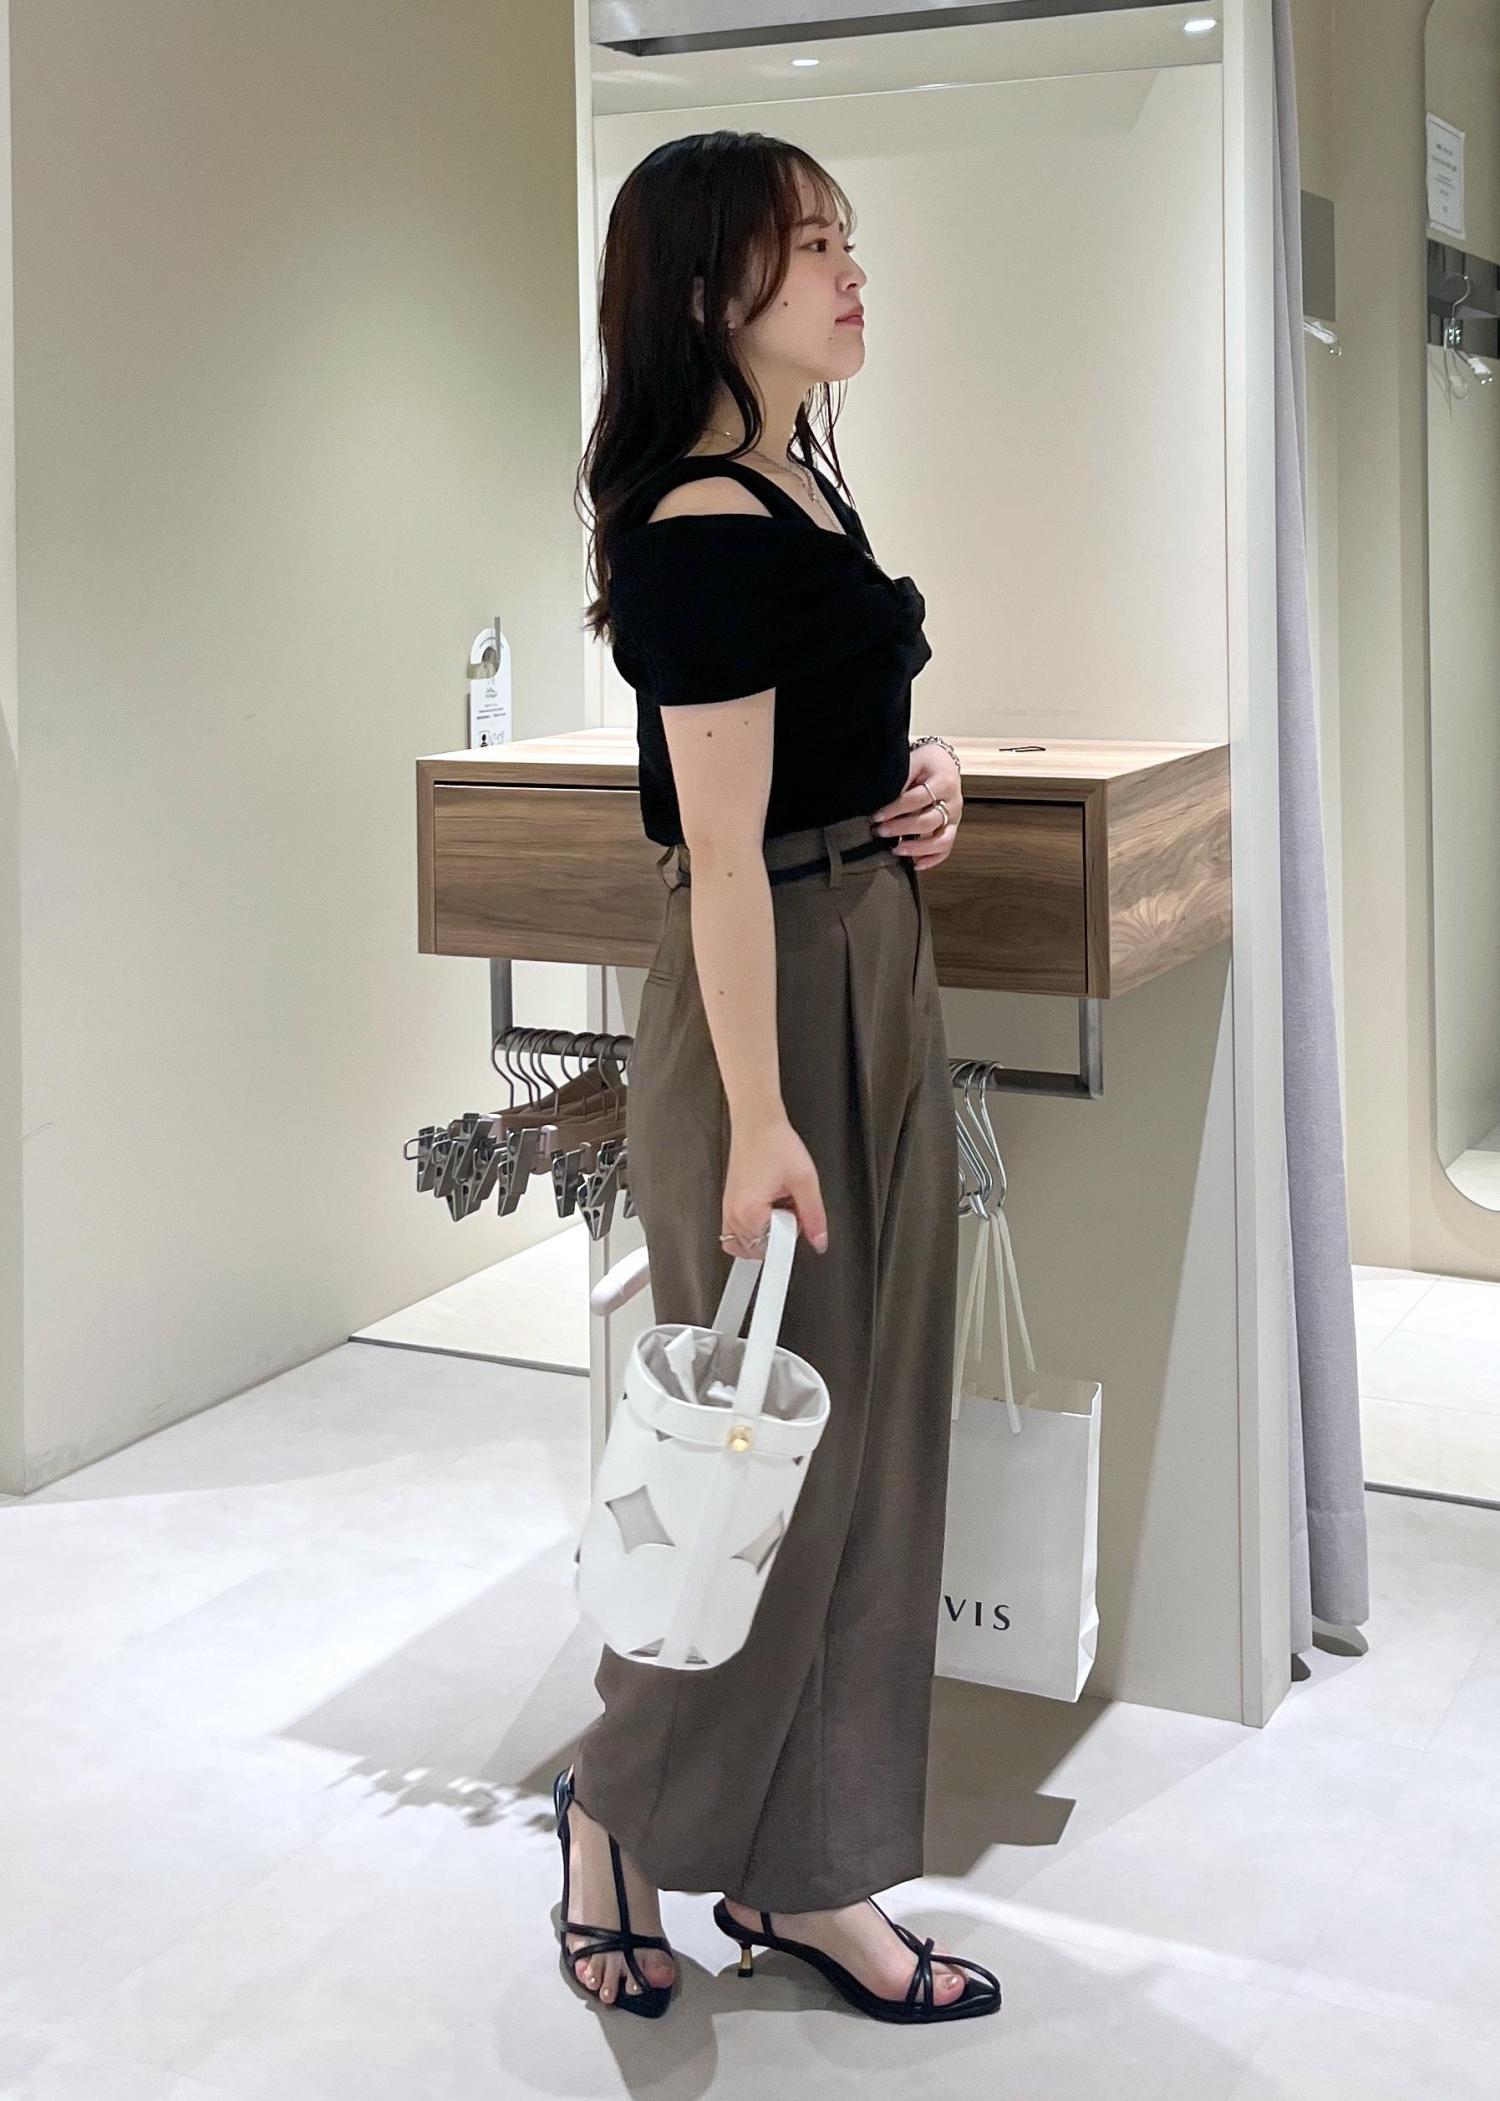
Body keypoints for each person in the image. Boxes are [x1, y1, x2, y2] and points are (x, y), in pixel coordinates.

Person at [554, 128, 1000, 2027]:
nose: (848, 269)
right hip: (776, 999)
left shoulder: (796, 480)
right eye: (808, 245)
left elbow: (818, 742)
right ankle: (617, 1813)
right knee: (760, 1459)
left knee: (869, 1446)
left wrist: (926, 770)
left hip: (865, 957)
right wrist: (757, 1121)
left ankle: (808, 1871)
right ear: (702, 292)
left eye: (846, 238)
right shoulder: (698, 525)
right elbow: (721, 858)